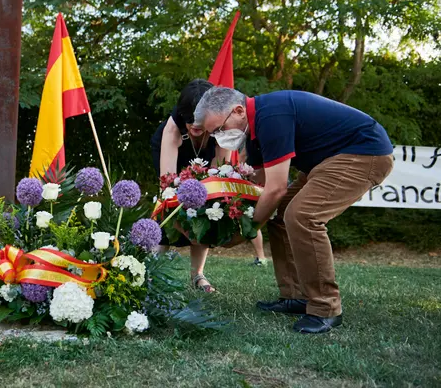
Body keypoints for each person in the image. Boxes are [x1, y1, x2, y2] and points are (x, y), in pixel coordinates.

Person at [193, 88, 393, 333]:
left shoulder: (271, 117)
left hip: (364, 153)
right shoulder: (252, 131)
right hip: (324, 162)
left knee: (302, 215)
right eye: (214, 134)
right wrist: (227, 213)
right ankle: (297, 296)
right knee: (281, 214)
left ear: (238, 111)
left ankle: (325, 308)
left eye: (219, 129)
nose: (219, 137)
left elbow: (275, 189)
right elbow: (259, 185)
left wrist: (248, 230)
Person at [150, 79, 266, 292]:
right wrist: (179, 218)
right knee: (167, 211)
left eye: (198, 121)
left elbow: (219, 176)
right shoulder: (171, 130)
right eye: (189, 121)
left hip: (207, 160)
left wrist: (207, 209)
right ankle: (152, 271)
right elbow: (167, 185)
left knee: (205, 210)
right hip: (175, 161)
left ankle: (198, 275)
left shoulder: (218, 126)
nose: (194, 126)